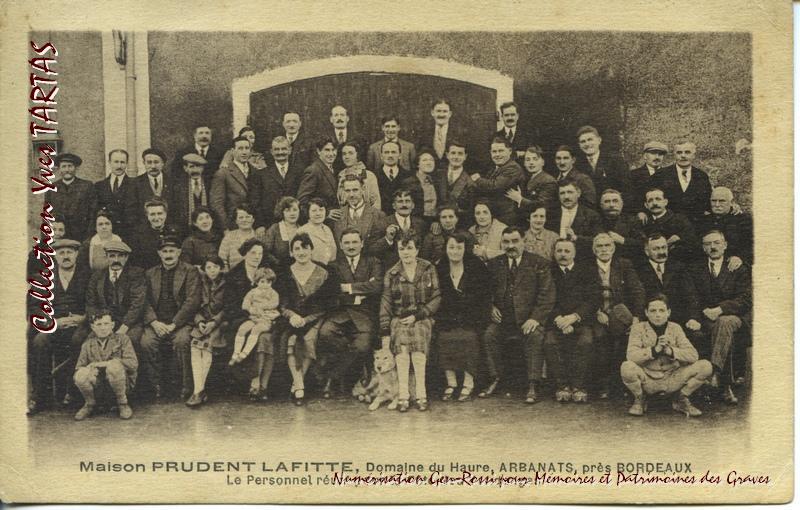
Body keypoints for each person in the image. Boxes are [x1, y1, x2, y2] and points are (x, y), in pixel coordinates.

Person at [480, 226, 555, 403]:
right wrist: (490, 307)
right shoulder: (494, 264)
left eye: (515, 241)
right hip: (503, 321)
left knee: (534, 336)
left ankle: (533, 383)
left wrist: (535, 318)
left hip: (528, 319)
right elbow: (483, 291)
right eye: (506, 242)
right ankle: (496, 378)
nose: (510, 246)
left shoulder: (539, 263)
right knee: (490, 335)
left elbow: (547, 295)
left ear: (524, 242)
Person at [27, 238, 91, 415]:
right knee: (40, 341)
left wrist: (83, 318)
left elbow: (95, 302)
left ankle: (75, 393)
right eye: (61, 253)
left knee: (79, 340)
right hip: (55, 325)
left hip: (79, 325)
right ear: (55, 256)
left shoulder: (88, 276)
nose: (66, 256)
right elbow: (35, 307)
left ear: (76, 254)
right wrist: (53, 321)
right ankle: (41, 396)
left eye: (70, 252)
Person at [620, 294, 712, 417]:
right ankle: (640, 398)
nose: (657, 315)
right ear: (646, 313)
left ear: (668, 312)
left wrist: (671, 351)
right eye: (653, 311)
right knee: (626, 367)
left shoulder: (675, 328)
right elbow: (631, 355)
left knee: (705, 366)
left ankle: (681, 398)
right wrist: (654, 350)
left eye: (662, 310)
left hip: (673, 377)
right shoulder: (638, 328)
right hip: (648, 378)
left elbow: (693, 355)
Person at [379, 231, 441, 412]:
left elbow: (436, 297)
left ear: (417, 249)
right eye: (402, 249)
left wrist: (419, 315)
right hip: (399, 318)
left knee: (418, 345)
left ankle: (421, 394)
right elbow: (386, 302)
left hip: (422, 317)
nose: (406, 252)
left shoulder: (428, 268)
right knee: (402, 348)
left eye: (409, 248)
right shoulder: (392, 273)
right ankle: (403, 395)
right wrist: (385, 328)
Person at [317, 228, 383, 398]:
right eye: (347, 243)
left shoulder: (373, 262)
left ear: (362, 244)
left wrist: (347, 287)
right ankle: (358, 370)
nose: (351, 246)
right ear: (340, 245)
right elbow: (332, 292)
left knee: (362, 346)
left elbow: (376, 287)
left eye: (355, 242)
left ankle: (332, 377)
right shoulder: (334, 266)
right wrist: (361, 291)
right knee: (325, 333)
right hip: (341, 312)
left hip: (364, 314)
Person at [689, 230, 751, 405]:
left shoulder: (738, 267)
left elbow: (746, 299)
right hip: (705, 318)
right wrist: (694, 317)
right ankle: (725, 385)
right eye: (708, 244)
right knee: (721, 332)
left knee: (724, 322)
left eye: (717, 243)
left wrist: (721, 309)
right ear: (703, 248)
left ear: (725, 245)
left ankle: (714, 373)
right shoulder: (695, 269)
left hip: (734, 317)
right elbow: (691, 297)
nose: (713, 247)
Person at [277, 233, 340, 405]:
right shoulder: (285, 274)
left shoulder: (324, 273)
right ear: (291, 252)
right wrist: (292, 316)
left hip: (315, 318)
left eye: (305, 248)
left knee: (309, 340)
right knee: (290, 341)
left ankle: (297, 384)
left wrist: (306, 319)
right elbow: (282, 304)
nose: (301, 252)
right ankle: (299, 386)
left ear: (311, 250)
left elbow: (326, 305)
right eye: (297, 249)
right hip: (291, 318)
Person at [140, 235, 201, 399]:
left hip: (180, 323)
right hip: (156, 323)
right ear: (159, 253)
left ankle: (185, 386)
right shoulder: (150, 274)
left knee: (182, 342)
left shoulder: (190, 271)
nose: (168, 254)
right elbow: (143, 301)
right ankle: (155, 385)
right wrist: (154, 322)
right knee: (146, 343)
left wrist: (174, 324)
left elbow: (192, 300)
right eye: (165, 251)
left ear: (179, 252)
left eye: (172, 251)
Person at [588, 233, 645, 399]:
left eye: (607, 246)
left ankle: (623, 383)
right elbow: (583, 295)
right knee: (600, 338)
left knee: (625, 340)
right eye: (599, 246)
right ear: (594, 250)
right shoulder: (587, 267)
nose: (604, 249)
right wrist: (597, 312)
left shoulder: (624, 265)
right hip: (597, 314)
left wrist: (637, 317)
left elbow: (638, 291)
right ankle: (604, 384)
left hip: (619, 313)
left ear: (613, 248)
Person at [435, 232, 492, 402]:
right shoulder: (440, 267)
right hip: (447, 317)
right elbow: (438, 296)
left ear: (465, 249)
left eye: (459, 248)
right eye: (451, 247)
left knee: (469, 338)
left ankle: (468, 383)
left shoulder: (477, 266)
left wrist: (473, 316)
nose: (455, 251)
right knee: (444, 337)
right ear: (445, 249)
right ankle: (451, 383)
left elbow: (484, 297)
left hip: (472, 317)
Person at [222, 239, 279, 400]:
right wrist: (251, 314)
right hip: (242, 318)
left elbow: (277, 299)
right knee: (250, 333)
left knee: (265, 337)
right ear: (245, 254)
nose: (256, 256)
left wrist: (270, 313)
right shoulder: (234, 275)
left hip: (268, 318)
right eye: (253, 253)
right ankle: (254, 381)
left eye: (260, 253)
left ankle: (262, 384)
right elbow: (230, 306)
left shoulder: (268, 273)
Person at [544, 238, 600, 403]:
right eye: (559, 251)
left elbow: (593, 299)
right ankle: (562, 386)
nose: (563, 255)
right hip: (556, 320)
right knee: (550, 342)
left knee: (586, 342)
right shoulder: (548, 271)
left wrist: (574, 317)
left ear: (574, 253)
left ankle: (578, 386)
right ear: (554, 253)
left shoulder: (587, 271)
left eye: (567, 251)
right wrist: (559, 319)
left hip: (580, 320)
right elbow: (544, 298)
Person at [84, 240, 147, 366]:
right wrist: (99, 324)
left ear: (126, 258)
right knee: (85, 340)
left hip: (129, 322)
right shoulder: (97, 276)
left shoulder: (136, 274)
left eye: (120, 256)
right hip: (103, 320)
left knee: (131, 340)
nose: (116, 260)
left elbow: (137, 304)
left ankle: (131, 375)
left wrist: (124, 327)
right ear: (107, 257)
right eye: (112, 256)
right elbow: (91, 303)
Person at [72, 310, 139, 421]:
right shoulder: (87, 344)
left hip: (121, 383)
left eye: (106, 324)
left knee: (114, 366)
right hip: (98, 386)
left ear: (112, 325)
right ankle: (89, 404)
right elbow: (79, 368)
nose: (103, 328)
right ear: (93, 327)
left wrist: (104, 364)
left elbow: (133, 364)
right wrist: (90, 370)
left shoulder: (122, 339)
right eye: (99, 324)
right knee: (81, 374)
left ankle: (122, 404)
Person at [638, 234, 703, 336]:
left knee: (696, 335)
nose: (661, 252)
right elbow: (637, 298)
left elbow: (691, 295)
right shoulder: (638, 270)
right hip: (650, 320)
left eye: (664, 248)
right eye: (656, 249)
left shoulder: (679, 267)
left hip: (678, 320)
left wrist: (693, 318)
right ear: (647, 251)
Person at [186, 255, 226, 407]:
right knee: (195, 347)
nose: (212, 270)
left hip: (220, 324)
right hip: (202, 322)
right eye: (208, 267)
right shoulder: (200, 283)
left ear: (221, 268)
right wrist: (200, 321)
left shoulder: (227, 284)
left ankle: (198, 391)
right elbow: (195, 306)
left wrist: (214, 322)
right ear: (204, 269)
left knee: (208, 347)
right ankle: (199, 390)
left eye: (215, 267)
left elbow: (228, 308)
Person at [651, 141, 712, 224]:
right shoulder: (661, 175)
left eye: (687, 152)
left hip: (696, 224)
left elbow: (708, 202)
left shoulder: (701, 176)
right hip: (668, 224)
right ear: (674, 155)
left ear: (693, 155)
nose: (683, 156)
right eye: (679, 152)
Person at [469, 137, 526, 227]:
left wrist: (477, 179)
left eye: (501, 151)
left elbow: (495, 186)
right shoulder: (495, 168)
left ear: (510, 151)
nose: (497, 154)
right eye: (494, 152)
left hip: (506, 217)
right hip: (496, 215)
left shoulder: (513, 168)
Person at [250, 136, 303, 228]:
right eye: (276, 149)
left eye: (283, 149)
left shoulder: (299, 172)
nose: (280, 152)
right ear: (272, 151)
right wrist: (260, 225)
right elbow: (255, 202)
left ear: (290, 150)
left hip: (295, 224)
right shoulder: (261, 174)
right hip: (269, 224)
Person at [230, 267, 280, 365]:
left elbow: (274, 303)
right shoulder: (252, 292)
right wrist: (251, 309)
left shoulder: (273, 293)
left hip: (266, 319)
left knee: (256, 330)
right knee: (242, 329)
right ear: (257, 282)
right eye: (262, 282)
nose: (265, 285)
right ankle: (235, 353)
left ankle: (244, 353)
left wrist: (262, 307)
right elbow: (245, 304)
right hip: (253, 317)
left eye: (268, 282)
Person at [210, 135, 261, 229]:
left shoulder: (256, 172)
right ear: (233, 151)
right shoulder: (223, 173)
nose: (244, 152)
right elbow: (217, 204)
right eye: (240, 148)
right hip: (233, 226)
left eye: (247, 148)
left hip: (253, 226)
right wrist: (226, 228)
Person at [545, 178, 603, 259]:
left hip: (580, 259)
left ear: (578, 193)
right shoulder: (550, 214)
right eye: (562, 193)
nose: (566, 197)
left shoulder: (591, 215)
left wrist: (576, 238)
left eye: (570, 192)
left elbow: (599, 240)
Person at [369, 189, 427, 269]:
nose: (404, 205)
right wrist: (387, 239)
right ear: (394, 205)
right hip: (390, 270)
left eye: (407, 201)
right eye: (400, 202)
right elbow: (371, 250)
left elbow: (424, 250)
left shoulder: (420, 224)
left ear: (413, 205)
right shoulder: (382, 224)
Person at [45, 153, 96, 241]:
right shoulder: (51, 188)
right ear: (59, 169)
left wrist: (89, 237)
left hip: (81, 235)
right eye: (64, 166)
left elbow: (92, 213)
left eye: (70, 166)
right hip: (58, 236)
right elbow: (46, 215)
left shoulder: (87, 186)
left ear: (76, 168)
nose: (67, 170)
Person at [697, 186, 753, 265]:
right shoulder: (703, 221)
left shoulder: (743, 220)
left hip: (733, 264)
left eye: (722, 201)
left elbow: (751, 245)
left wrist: (740, 257)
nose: (717, 204)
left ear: (732, 202)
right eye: (713, 201)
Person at [641, 187, 698, 264]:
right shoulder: (644, 222)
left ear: (665, 202)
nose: (654, 203)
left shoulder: (680, 220)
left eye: (658, 199)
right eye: (650, 200)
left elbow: (692, 243)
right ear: (646, 205)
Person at [333, 174, 387, 250]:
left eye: (355, 190)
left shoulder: (378, 215)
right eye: (347, 191)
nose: (351, 195)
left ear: (363, 189)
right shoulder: (338, 215)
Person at [574, 125, 629, 198]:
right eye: (583, 141)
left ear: (599, 140)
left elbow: (626, 187)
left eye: (590, 139)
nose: (587, 144)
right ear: (579, 145)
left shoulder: (615, 160)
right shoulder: (578, 164)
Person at [505, 145, 559, 219]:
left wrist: (519, 199)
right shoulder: (525, 178)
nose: (531, 162)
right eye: (528, 160)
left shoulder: (548, 181)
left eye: (535, 159)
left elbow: (541, 205)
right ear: (524, 163)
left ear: (543, 162)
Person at [93, 149, 137, 239]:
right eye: (116, 162)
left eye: (122, 162)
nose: (119, 166)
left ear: (127, 163)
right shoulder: (99, 186)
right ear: (109, 162)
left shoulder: (135, 184)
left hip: (129, 234)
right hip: (106, 234)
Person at [598, 188, 645, 263]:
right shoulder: (595, 221)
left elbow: (643, 243)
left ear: (622, 204)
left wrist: (623, 240)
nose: (611, 205)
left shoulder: (632, 221)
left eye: (615, 201)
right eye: (607, 201)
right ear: (601, 205)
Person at [132, 148, 174, 228]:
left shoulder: (173, 182)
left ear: (163, 163)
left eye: (156, 162)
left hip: (169, 228)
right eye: (149, 162)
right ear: (144, 163)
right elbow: (133, 211)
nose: (153, 166)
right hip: (144, 229)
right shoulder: (135, 184)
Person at [297, 138, 340, 214]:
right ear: (319, 151)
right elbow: (302, 201)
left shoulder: (334, 169)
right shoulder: (313, 170)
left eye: (333, 150)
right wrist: (326, 213)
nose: (331, 154)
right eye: (327, 150)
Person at [128, 198, 174, 270]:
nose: (156, 218)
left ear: (165, 214)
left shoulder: (175, 233)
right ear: (147, 215)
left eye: (160, 213)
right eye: (152, 214)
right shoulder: (138, 236)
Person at [171, 153, 211, 232]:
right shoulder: (178, 187)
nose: (195, 170)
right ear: (185, 168)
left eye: (198, 166)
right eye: (191, 167)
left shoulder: (209, 184)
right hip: (186, 229)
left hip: (208, 227)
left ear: (202, 168)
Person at [336, 141, 381, 211]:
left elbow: (376, 203)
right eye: (344, 154)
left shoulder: (369, 175)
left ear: (357, 155)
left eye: (350, 153)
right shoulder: (341, 175)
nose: (347, 157)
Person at [418, 98, 463, 169]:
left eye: (445, 111)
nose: (441, 115)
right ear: (432, 113)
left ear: (450, 114)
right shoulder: (424, 133)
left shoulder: (460, 133)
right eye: (438, 111)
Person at [436, 141, 474, 221]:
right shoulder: (437, 175)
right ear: (447, 155)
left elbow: (469, 209)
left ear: (465, 156)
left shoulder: (470, 182)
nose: (456, 157)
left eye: (460, 154)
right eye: (453, 153)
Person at [629, 141, 668, 216]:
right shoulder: (633, 175)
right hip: (642, 216)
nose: (657, 157)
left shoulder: (669, 174)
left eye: (660, 154)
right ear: (645, 156)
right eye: (653, 153)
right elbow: (630, 198)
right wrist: (639, 211)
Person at [375, 140, 414, 216]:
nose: (390, 155)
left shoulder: (409, 175)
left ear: (400, 155)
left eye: (393, 152)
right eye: (386, 152)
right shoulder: (373, 176)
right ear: (381, 156)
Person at [403, 149, 441, 225]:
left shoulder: (438, 181)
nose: (429, 163)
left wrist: (437, 221)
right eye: (424, 160)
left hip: (435, 222)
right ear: (418, 164)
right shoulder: (409, 182)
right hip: (416, 221)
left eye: (431, 160)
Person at [261, 196, 301, 269]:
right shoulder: (275, 229)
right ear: (282, 212)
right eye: (288, 210)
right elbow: (265, 252)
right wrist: (278, 264)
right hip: (278, 269)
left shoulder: (302, 230)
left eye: (295, 210)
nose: (292, 213)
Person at [218, 203, 259, 272]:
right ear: (236, 221)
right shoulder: (229, 237)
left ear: (253, 219)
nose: (244, 220)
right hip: (233, 276)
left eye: (248, 217)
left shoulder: (259, 237)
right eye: (241, 217)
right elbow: (222, 260)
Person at [297, 197, 337, 265]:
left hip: (330, 268)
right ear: (308, 212)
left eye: (321, 210)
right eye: (314, 211)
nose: (318, 213)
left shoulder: (327, 229)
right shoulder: (302, 231)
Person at [327, 105, 362, 171]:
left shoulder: (358, 137)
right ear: (331, 119)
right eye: (336, 115)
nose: (339, 118)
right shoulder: (325, 137)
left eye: (342, 115)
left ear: (347, 118)